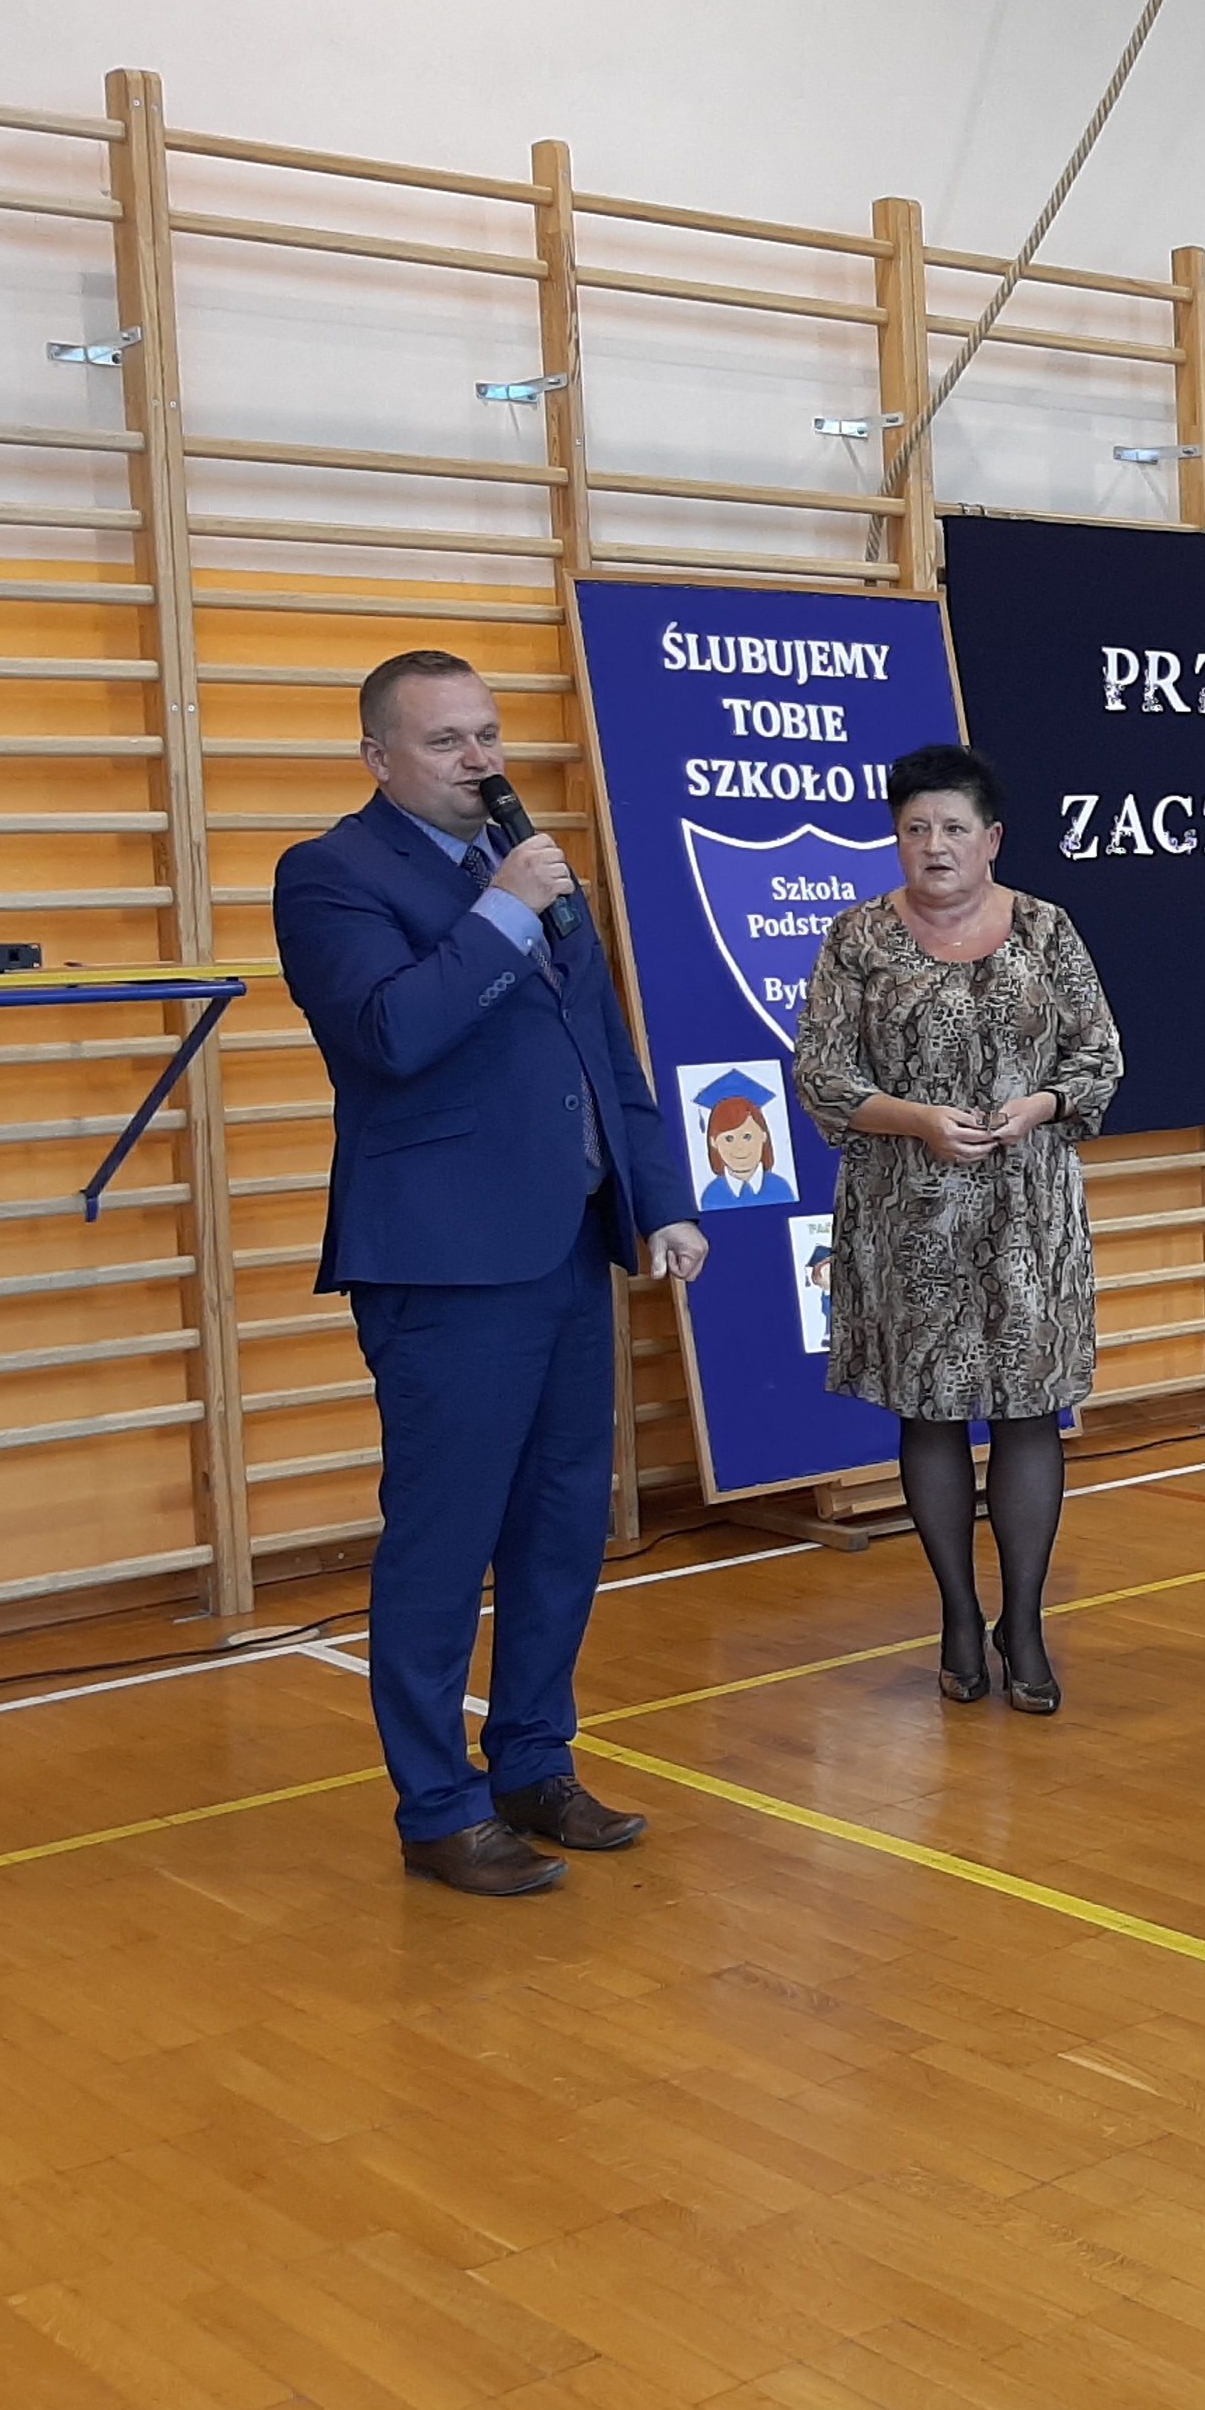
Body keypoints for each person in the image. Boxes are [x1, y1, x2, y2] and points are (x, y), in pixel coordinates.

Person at [274, 648, 706, 1898]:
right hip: (444, 1263)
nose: (482, 761)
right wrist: (504, 914)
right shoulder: (332, 874)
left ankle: (531, 1764)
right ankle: (437, 1807)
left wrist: (661, 1200)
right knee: (444, 1535)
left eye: (488, 734)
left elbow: (603, 1047)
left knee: (561, 1525)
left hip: (566, 1245)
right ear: (378, 758)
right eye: (448, 741)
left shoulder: (525, 862)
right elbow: (389, 1034)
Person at [792, 742, 1123, 1715]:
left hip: (1030, 1213)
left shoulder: (1048, 929)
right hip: (909, 1215)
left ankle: (1025, 1624)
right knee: (929, 1413)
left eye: (952, 828)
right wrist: (919, 1121)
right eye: (915, 829)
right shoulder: (857, 937)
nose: (933, 845)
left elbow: (1099, 1059)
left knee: (1029, 1409)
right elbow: (822, 1075)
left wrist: (1041, 1105)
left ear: (992, 839)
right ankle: (957, 1615)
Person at [693, 1069, 795, 1209]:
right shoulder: (712, 1195)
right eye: (729, 1139)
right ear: (713, 1142)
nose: (739, 1147)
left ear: (763, 1136)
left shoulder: (781, 1189)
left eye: (747, 1137)